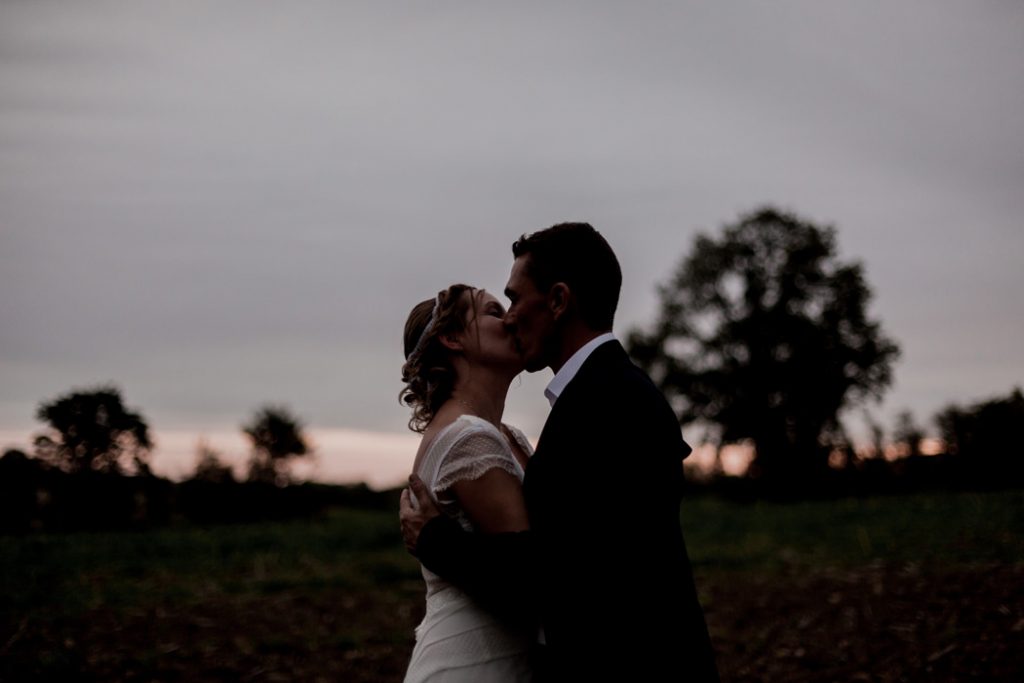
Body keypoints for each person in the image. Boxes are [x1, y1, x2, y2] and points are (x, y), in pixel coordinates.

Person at [401, 223, 719, 681]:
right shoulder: (601, 396)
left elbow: (553, 575)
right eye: (499, 306)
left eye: (513, 300)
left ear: (557, 301)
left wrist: (434, 541)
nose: (510, 318)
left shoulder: (606, 403)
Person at [400, 283, 538, 683]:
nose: (512, 318)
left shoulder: (506, 434)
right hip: (476, 664)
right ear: (452, 337)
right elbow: (524, 582)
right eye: (494, 311)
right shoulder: (469, 438)